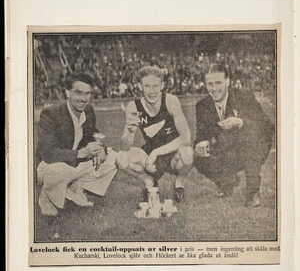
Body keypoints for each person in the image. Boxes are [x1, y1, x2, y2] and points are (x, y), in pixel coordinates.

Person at [36, 72, 118, 216]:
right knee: (61, 170)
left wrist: (101, 149)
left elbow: (92, 135)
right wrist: (81, 153)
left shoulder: (88, 110)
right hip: (51, 166)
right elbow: (47, 153)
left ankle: (77, 189)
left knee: (112, 158)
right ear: (68, 92)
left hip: (75, 163)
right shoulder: (51, 114)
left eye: (87, 94)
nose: (83, 99)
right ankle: (47, 197)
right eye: (78, 93)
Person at [194, 63, 274, 208]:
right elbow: (201, 135)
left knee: (247, 144)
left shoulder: (244, 96)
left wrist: (241, 122)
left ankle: (253, 193)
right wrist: (201, 144)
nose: (214, 88)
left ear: (228, 81)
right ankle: (227, 182)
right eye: (210, 84)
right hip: (229, 147)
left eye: (218, 83)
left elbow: (267, 127)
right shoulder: (202, 105)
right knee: (197, 157)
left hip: (254, 144)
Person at [116, 65, 194, 203]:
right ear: (140, 86)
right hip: (150, 154)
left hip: (173, 153)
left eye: (155, 86)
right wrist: (129, 131)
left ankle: (179, 183)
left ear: (162, 85)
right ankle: (149, 182)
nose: (152, 91)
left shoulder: (171, 101)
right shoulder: (133, 107)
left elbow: (186, 138)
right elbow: (124, 147)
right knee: (121, 158)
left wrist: (156, 152)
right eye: (147, 86)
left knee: (188, 153)